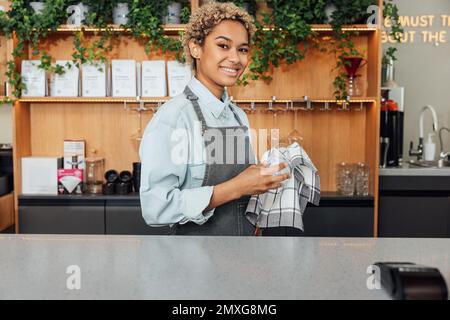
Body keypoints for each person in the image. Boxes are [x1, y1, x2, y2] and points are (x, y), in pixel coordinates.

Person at [139, 2, 290, 236]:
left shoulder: (237, 115)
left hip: (243, 257)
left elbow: (244, 186)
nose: (236, 59)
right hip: (195, 263)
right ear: (195, 48)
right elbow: (156, 208)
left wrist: (260, 190)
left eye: (242, 49)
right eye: (223, 46)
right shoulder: (175, 117)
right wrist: (238, 187)